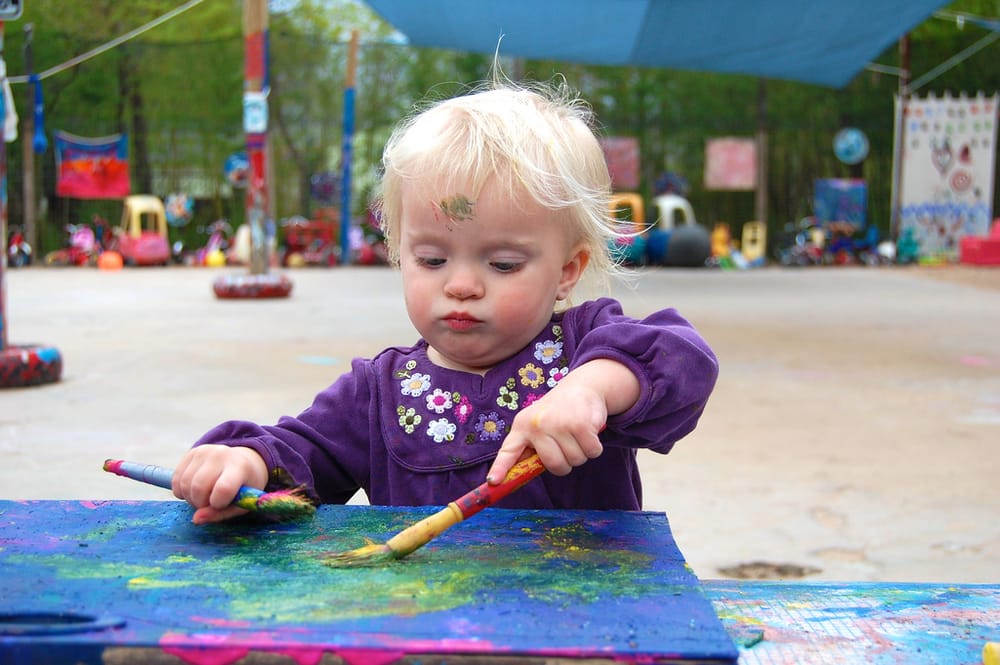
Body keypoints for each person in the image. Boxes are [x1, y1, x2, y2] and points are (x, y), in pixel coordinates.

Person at [171, 75, 719, 524]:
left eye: (502, 264)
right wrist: (245, 464)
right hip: (427, 615)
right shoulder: (377, 393)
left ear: (566, 271)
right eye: (432, 260)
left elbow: (683, 360)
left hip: (579, 614)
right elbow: (301, 458)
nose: (461, 285)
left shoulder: (584, 348)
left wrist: (591, 389)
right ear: (399, 253)